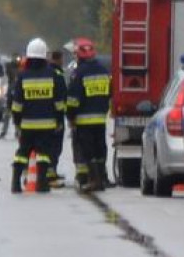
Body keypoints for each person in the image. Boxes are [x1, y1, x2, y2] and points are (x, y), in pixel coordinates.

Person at [11, 38, 67, 194]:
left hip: (27, 125)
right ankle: (41, 184)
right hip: (47, 125)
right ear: (44, 56)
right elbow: (59, 102)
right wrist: (59, 120)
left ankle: (15, 183)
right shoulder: (53, 75)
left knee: (22, 153)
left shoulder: (22, 76)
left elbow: (17, 104)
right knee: (43, 154)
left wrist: (17, 122)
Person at [66, 37, 111, 191]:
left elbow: (73, 99)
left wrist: (70, 117)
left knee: (88, 150)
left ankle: (94, 180)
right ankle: (102, 178)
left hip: (83, 121)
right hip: (100, 119)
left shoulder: (79, 73)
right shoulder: (104, 71)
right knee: (100, 149)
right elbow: (109, 94)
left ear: (79, 55)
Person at [47, 49, 68, 187]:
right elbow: (60, 98)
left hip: (48, 115)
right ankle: (50, 173)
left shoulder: (48, 72)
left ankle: (52, 171)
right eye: (62, 58)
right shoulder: (57, 74)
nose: (63, 61)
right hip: (56, 116)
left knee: (52, 146)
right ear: (58, 59)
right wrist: (60, 118)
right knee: (55, 147)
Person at [0, 55, 19, 139]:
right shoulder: (9, 67)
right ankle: (4, 131)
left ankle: (17, 131)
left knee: (16, 114)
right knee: (8, 113)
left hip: (16, 93)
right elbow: (7, 72)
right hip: (11, 93)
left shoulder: (21, 69)